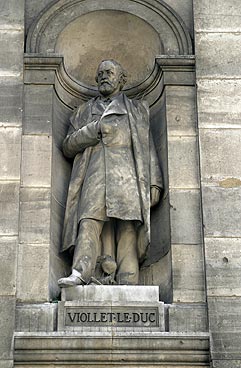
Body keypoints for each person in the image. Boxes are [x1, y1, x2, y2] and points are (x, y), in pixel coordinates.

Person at [58, 59, 163, 287]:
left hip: (126, 176)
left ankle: (128, 280)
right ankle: (80, 273)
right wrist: (93, 129)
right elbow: (68, 146)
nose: (105, 76)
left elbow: (148, 147)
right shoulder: (84, 111)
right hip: (93, 175)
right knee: (88, 222)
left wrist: (155, 182)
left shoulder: (136, 109)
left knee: (127, 227)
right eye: (101, 73)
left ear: (121, 79)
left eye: (110, 72)